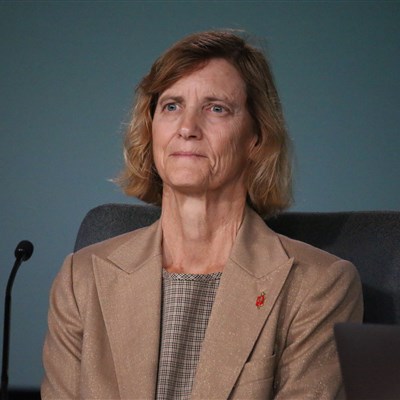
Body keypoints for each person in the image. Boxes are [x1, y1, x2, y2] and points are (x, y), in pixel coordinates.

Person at [41, 30, 363, 399]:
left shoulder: (318, 286)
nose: (187, 129)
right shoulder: (81, 281)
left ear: (256, 136)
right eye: (172, 106)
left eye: (216, 108)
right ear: (151, 129)